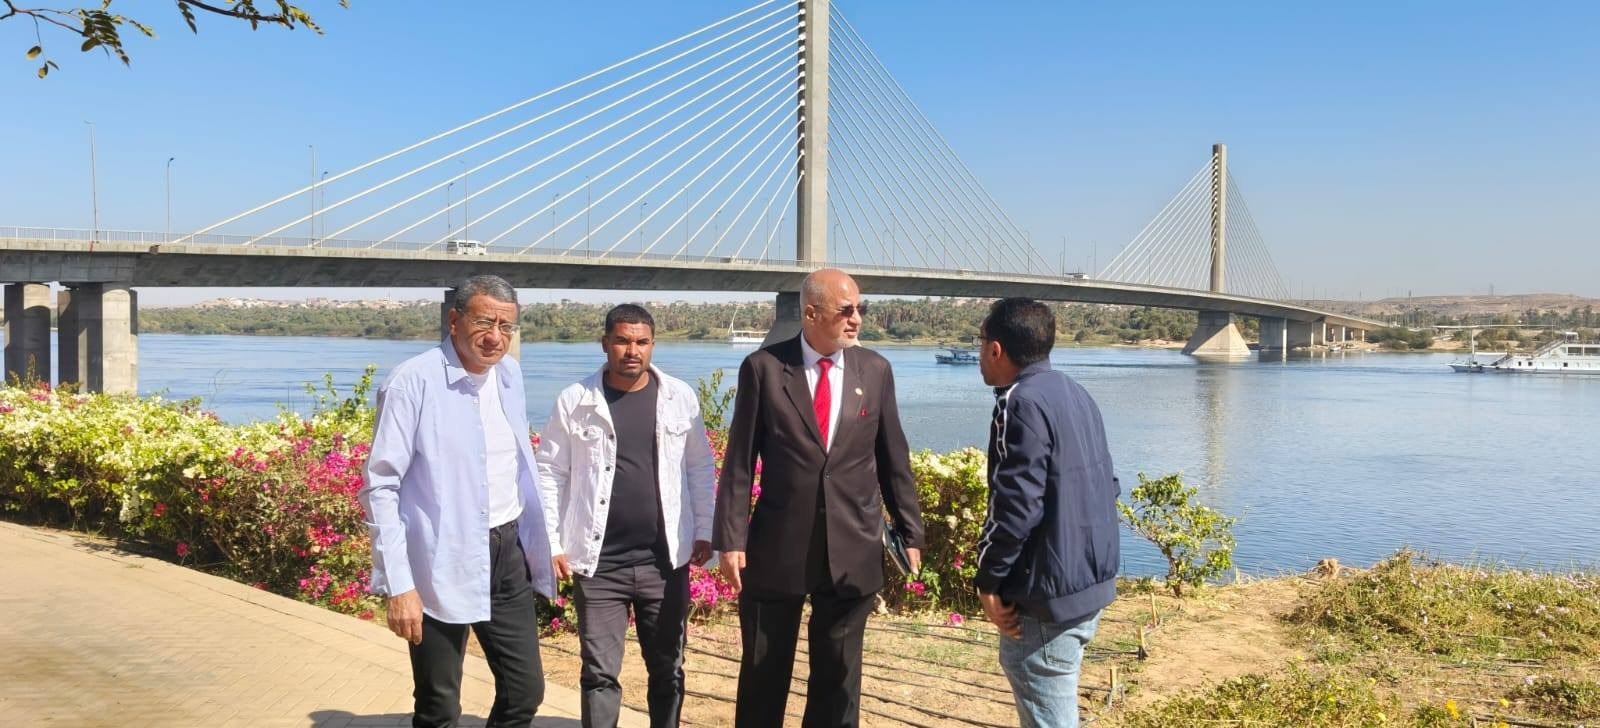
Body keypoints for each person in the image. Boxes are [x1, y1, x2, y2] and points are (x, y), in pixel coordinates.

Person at [713, 268, 925, 728]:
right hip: (777, 549)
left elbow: (893, 458)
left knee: (839, 681)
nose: (857, 319)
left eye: (860, 309)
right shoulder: (763, 369)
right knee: (763, 672)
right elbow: (740, 462)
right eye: (846, 310)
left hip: (853, 547)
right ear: (810, 313)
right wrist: (730, 540)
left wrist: (910, 532)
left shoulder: (875, 370)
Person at [360, 274, 555, 728]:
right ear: (454, 321)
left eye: (506, 326)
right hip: (438, 560)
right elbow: (381, 486)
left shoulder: (509, 375)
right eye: (484, 322)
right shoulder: (412, 382)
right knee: (439, 706)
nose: (495, 337)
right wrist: (400, 585)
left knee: (525, 692)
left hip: (507, 554)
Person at [537, 304, 716, 728]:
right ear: (605, 344)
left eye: (641, 342)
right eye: (621, 341)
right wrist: (553, 542)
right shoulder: (576, 401)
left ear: (653, 345)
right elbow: (549, 471)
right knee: (599, 674)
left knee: (668, 669)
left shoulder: (679, 398)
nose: (632, 350)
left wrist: (705, 529)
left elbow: (699, 467)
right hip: (600, 564)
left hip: (664, 562)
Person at [972, 297, 1120, 728]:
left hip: (1043, 600)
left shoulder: (1019, 403)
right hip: (1087, 584)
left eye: (980, 342)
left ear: (996, 349)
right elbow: (1106, 485)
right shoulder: (1075, 393)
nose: (979, 353)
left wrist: (988, 580)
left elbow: (1015, 507)